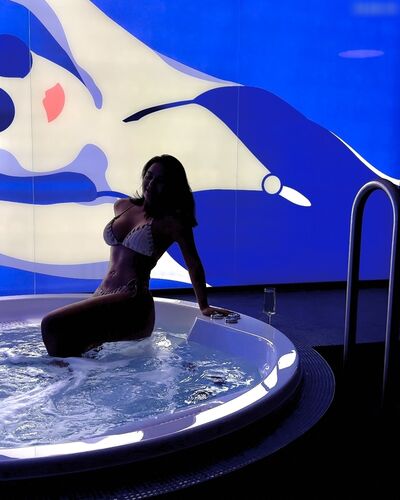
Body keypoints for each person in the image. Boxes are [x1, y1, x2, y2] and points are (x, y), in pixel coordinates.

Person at [41, 154, 230, 357]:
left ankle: (62, 373)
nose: (151, 183)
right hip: (102, 294)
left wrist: (203, 306)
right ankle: (65, 374)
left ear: (172, 186)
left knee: (52, 324)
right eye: (149, 176)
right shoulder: (122, 206)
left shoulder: (172, 222)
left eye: (160, 181)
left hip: (131, 300)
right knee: (76, 348)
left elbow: (193, 264)